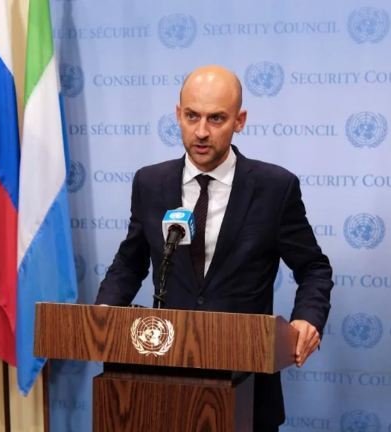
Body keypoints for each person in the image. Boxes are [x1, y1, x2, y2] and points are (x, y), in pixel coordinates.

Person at [95, 64, 333, 431]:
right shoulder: (150, 182)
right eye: (192, 116)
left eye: (216, 118)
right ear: (178, 115)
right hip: (162, 379)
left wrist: (308, 319)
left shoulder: (275, 187)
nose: (202, 132)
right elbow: (130, 263)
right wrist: (101, 317)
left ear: (240, 120)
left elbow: (313, 267)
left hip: (247, 384)